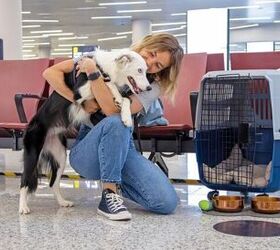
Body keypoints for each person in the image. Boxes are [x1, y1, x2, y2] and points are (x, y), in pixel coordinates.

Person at [43, 33, 184, 221]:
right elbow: (50, 73)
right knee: (119, 121)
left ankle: (116, 180)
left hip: (122, 146)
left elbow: (110, 110)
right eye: (151, 54)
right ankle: (109, 195)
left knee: (167, 202)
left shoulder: (152, 87)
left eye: (158, 65)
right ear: (145, 45)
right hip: (88, 147)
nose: (150, 63)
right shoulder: (109, 58)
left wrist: (94, 74)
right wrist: (79, 102)